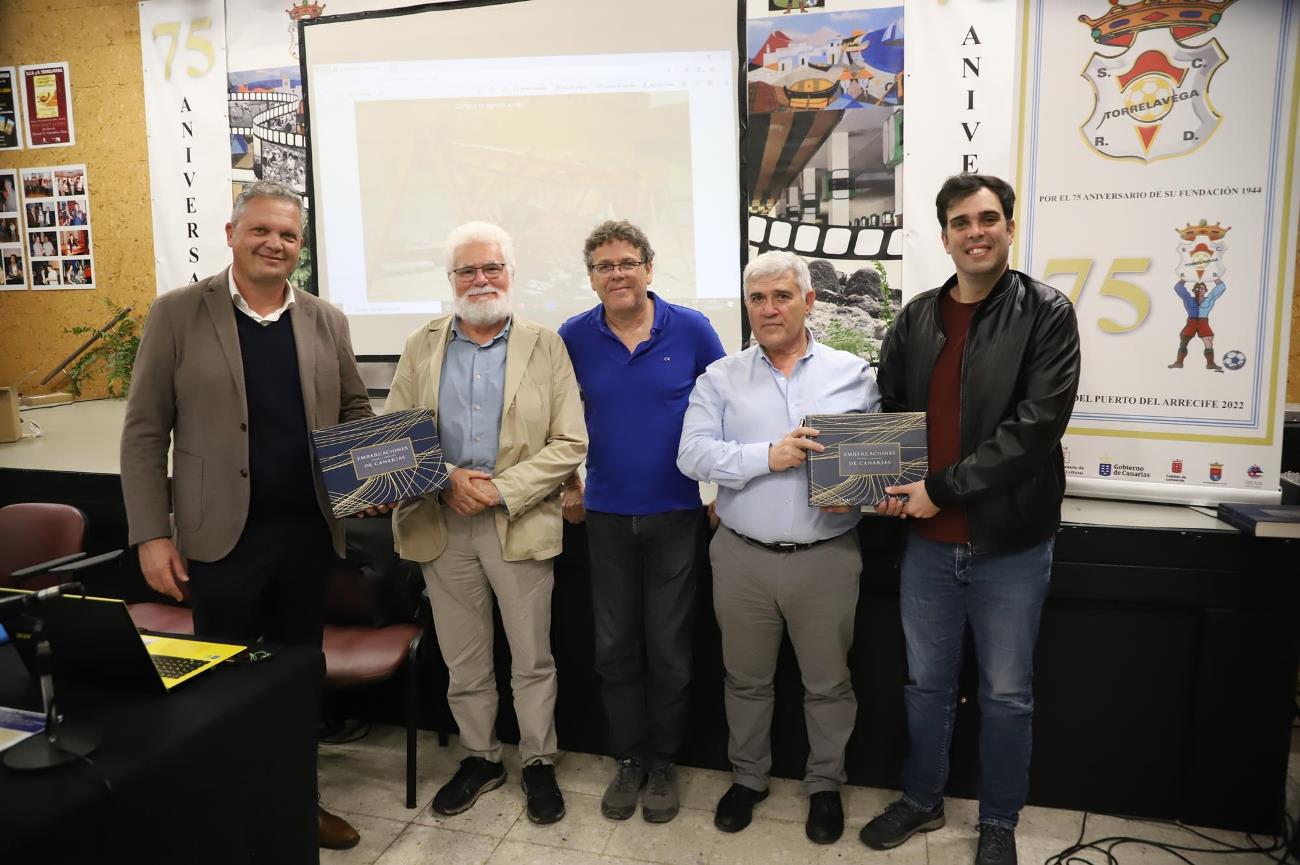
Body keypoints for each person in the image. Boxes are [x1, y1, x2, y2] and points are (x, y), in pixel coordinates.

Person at [120, 180, 369, 852]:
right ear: (231, 233)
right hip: (219, 538)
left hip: (307, 535)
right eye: (261, 230)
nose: (275, 244)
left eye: (288, 235)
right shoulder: (177, 313)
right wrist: (150, 534)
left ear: (301, 246)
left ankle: (296, 802)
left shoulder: (326, 319)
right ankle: (222, 812)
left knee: (295, 682)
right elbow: (145, 431)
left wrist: (372, 473)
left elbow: (352, 411)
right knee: (217, 684)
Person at [858, 174, 1081, 865]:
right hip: (926, 544)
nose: (975, 231)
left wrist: (940, 488)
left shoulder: (1047, 313)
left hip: (1010, 544)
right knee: (925, 684)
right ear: (946, 235)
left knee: (1007, 694)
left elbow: (1033, 430)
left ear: (1009, 227)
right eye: (961, 221)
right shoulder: (916, 317)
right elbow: (890, 410)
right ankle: (923, 800)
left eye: (988, 218)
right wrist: (868, 475)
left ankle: (998, 822)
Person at [385, 220, 586, 826]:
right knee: (464, 658)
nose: (480, 279)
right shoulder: (421, 343)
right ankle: (480, 758)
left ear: (510, 275)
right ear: (451, 279)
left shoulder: (545, 344)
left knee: (531, 658)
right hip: (439, 521)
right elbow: (394, 435)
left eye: (491, 268)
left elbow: (569, 440)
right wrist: (446, 478)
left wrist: (499, 489)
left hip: (518, 521)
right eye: (467, 270)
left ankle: (539, 762)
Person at [677, 250, 880, 845]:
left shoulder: (852, 374)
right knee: (744, 680)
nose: (769, 309)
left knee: (828, 683)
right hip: (742, 556)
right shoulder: (719, 378)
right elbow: (691, 454)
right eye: (758, 299)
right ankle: (748, 779)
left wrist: (861, 497)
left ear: (809, 301)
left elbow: (879, 463)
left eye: (782, 296)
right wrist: (766, 456)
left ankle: (824, 785)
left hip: (827, 559)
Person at [557, 220, 725, 823]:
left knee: (672, 651)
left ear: (649, 269)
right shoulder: (572, 336)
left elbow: (728, 408)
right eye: (604, 266)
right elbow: (554, 419)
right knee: (615, 650)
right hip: (603, 517)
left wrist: (722, 490)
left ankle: (664, 764)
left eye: (628, 262)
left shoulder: (694, 329)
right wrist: (567, 479)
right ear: (592, 277)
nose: (617, 274)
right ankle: (629, 759)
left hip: (677, 515)